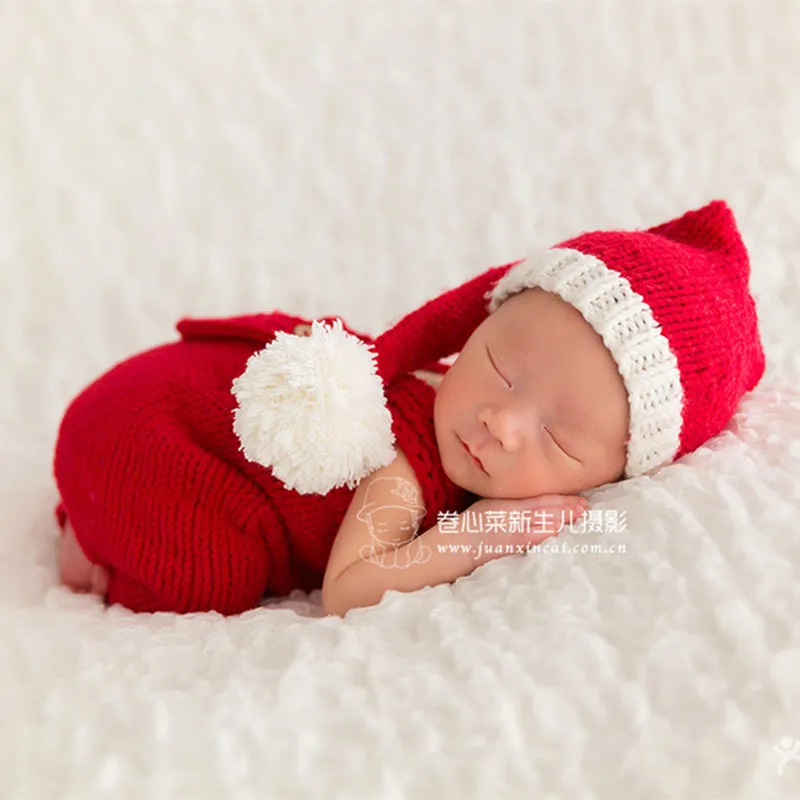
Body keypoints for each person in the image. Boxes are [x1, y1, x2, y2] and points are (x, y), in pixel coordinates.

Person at [52, 200, 765, 616]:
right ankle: (95, 556)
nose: (503, 423)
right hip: (155, 442)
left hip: (132, 410)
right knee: (213, 575)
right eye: (498, 367)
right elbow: (348, 588)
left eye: (560, 437)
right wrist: (478, 536)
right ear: (472, 328)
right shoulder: (404, 460)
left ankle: (90, 510)